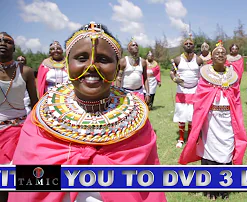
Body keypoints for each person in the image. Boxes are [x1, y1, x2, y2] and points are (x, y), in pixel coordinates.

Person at [8, 22, 166, 202]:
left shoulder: (138, 121)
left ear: (116, 68)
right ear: (67, 66)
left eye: (104, 60)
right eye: (82, 58)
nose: (92, 66)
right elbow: (26, 186)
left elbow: (149, 186)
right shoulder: (39, 120)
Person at [179, 41, 247, 200]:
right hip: (209, 120)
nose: (221, 54)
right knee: (209, 151)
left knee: (226, 151)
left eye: (223, 53)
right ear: (212, 56)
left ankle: (224, 186)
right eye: (217, 52)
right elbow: (200, 99)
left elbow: (236, 99)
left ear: (226, 58)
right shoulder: (205, 75)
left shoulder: (232, 76)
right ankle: (210, 187)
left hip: (228, 120)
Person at [0, 32, 38, 165]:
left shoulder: (25, 71)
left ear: (14, 48)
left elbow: (35, 103)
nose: (3, 43)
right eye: (0, 41)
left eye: (8, 41)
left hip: (20, 128)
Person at [170, 35, 202, 148]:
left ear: (194, 46)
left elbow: (202, 74)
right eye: (186, 44)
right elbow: (171, 72)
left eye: (190, 43)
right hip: (181, 90)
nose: (188, 45)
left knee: (192, 115)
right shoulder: (178, 59)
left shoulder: (198, 59)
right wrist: (174, 78)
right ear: (183, 46)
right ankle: (181, 138)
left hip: (195, 90)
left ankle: (192, 138)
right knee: (181, 114)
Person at [116, 38, 150, 103]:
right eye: (133, 45)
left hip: (139, 92)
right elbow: (118, 78)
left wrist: (148, 93)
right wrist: (119, 93)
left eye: (136, 45)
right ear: (128, 49)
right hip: (126, 92)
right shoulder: (123, 61)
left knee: (140, 112)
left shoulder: (143, 62)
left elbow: (145, 78)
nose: (135, 46)